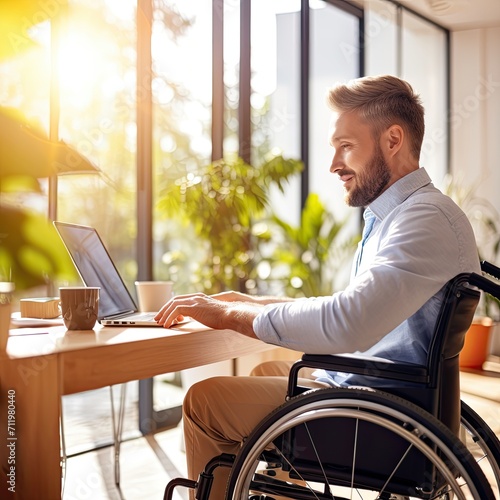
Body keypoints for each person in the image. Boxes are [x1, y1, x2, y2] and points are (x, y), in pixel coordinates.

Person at [155, 74, 480, 498]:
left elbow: (348, 323)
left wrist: (228, 315)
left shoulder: (423, 219)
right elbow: (352, 305)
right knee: (267, 371)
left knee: (204, 401)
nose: (333, 164)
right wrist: (248, 302)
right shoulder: (401, 216)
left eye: (346, 145)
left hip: (382, 414)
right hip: (381, 395)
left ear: (393, 140)